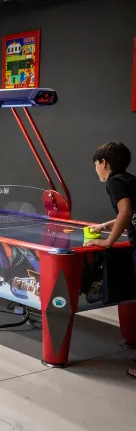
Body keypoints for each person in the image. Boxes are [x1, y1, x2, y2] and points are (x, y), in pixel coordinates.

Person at [85, 142, 136, 379]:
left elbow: (125, 212)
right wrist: (104, 226)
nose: (95, 170)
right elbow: (128, 212)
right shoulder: (128, 179)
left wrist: (107, 242)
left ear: (103, 162)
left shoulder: (114, 181)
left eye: (95, 164)